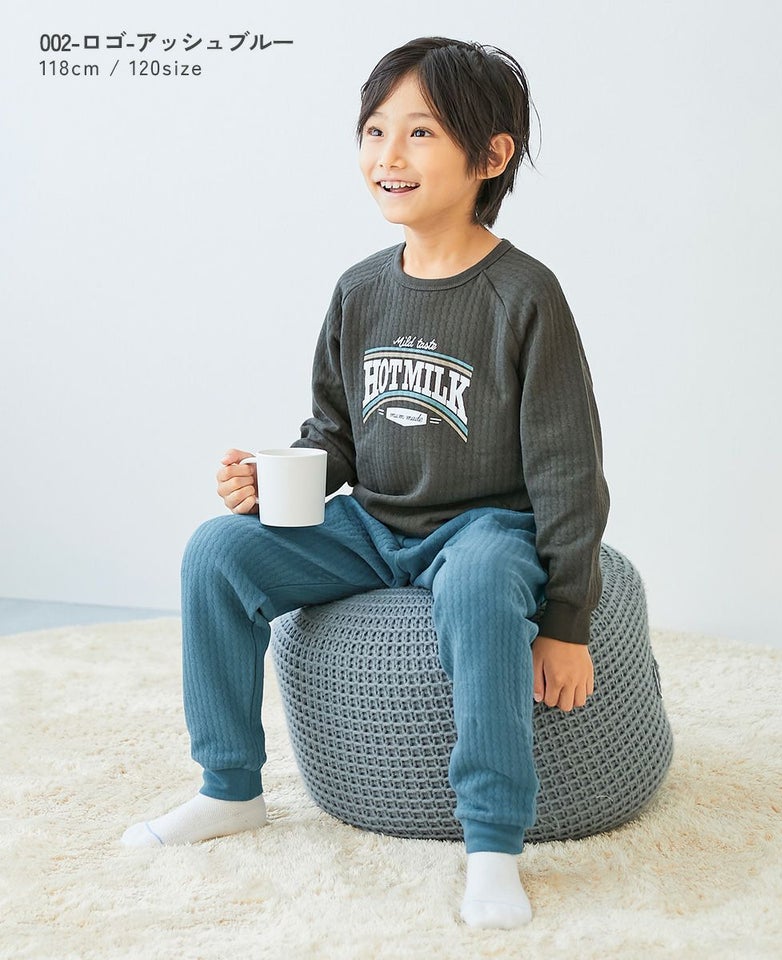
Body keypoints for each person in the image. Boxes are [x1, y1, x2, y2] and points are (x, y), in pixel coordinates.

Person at [121, 36, 610, 931]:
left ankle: (492, 840)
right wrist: (271, 482)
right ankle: (229, 786)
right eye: (375, 130)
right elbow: (335, 434)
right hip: (372, 524)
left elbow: (568, 468)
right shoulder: (359, 290)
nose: (389, 155)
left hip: (482, 529)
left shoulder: (524, 294)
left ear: (490, 156)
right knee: (217, 551)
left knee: (481, 580)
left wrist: (567, 622)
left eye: (421, 132)